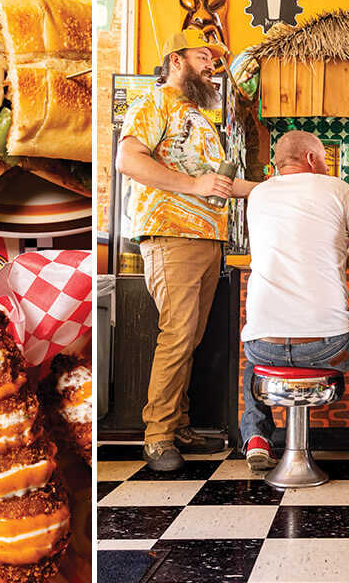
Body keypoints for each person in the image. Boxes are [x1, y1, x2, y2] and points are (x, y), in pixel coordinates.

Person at [117, 29, 258, 472]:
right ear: (175, 61)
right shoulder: (153, 102)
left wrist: (280, 188)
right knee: (177, 335)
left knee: (190, 337)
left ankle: (176, 425)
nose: (211, 66)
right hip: (170, 233)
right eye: (203, 57)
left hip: (205, 237)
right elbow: (128, 160)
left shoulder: (198, 116)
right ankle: (157, 437)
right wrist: (195, 185)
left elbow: (218, 184)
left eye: (214, 60)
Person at [241, 131, 349, 474]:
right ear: (312, 159)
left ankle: (256, 437)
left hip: (263, 348)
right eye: (324, 158)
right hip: (328, 345)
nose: (327, 165)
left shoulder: (259, 194)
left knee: (257, 338)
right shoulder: (337, 189)